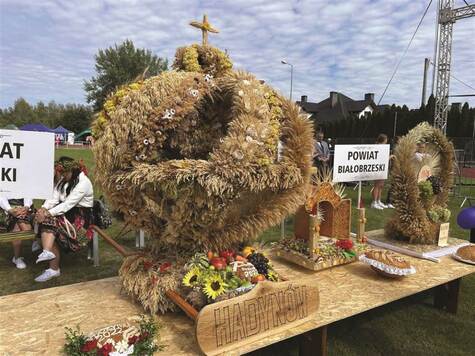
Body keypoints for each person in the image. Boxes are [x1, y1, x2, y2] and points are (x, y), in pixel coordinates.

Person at [34, 156, 94, 282]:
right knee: (45, 220)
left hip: (80, 219)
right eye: (60, 172)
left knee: (49, 222)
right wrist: (43, 209)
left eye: (63, 173)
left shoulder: (83, 183)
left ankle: (51, 261)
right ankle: (48, 254)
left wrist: (47, 213)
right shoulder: (63, 180)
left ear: (72, 170)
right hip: (66, 214)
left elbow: (68, 205)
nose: (61, 175)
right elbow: (53, 198)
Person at [0, 196, 34, 269]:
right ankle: (17, 258)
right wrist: (10, 210)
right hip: (7, 209)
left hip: (25, 208)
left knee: (25, 228)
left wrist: (26, 207)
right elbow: (1, 197)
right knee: (16, 227)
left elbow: (28, 194)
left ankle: (34, 242)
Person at [371, 133, 389, 210]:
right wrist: (390, 157)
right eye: (386, 139)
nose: (387, 141)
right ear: (383, 140)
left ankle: (378, 200)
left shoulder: (384, 147)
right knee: (377, 185)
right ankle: (374, 202)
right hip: (378, 168)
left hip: (383, 168)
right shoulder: (378, 147)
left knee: (381, 185)